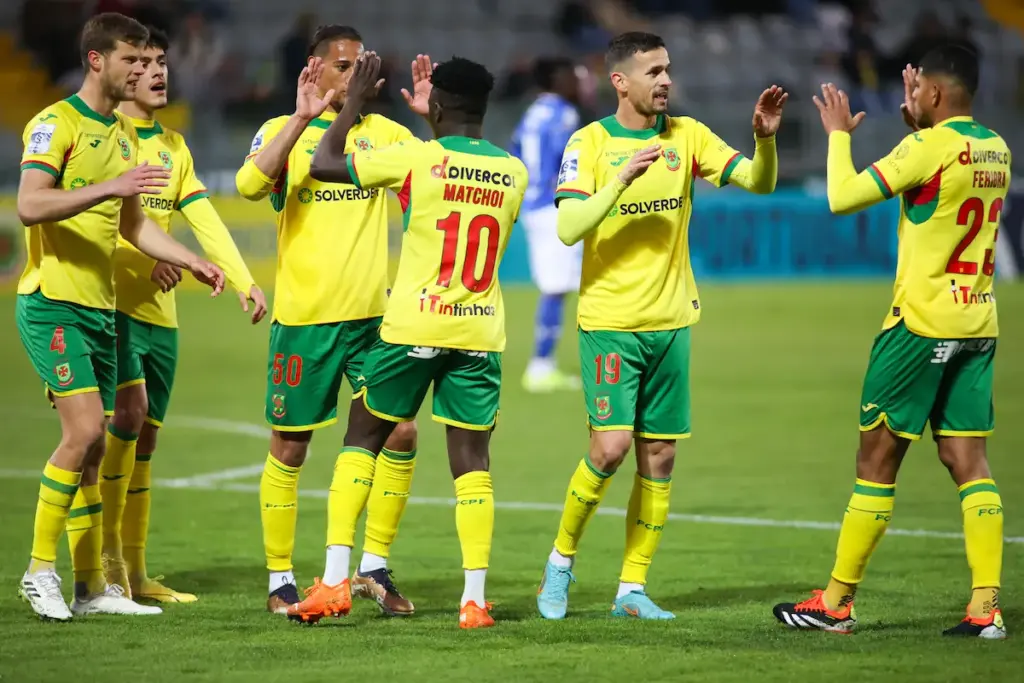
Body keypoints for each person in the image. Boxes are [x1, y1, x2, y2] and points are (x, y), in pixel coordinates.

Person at [535, 31, 786, 620]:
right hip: (610, 323)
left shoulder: (688, 135)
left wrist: (763, 143)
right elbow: (569, 227)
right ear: (620, 81)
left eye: (668, 69)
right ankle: (560, 563)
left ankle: (631, 589)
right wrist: (621, 180)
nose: (666, 80)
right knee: (611, 447)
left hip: (672, 322)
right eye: (653, 71)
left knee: (661, 458)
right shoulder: (590, 142)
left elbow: (759, 181)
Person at [774, 46, 1008, 640]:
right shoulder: (996, 148)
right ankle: (985, 609)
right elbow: (937, 194)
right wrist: (919, 132)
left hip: (918, 327)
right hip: (976, 326)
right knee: (969, 462)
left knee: (875, 464)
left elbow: (841, 196)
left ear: (932, 94)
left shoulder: (925, 147)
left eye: (919, 90)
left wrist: (836, 136)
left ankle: (835, 603)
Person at [294, 52, 527, 629]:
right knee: (472, 460)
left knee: (363, 436)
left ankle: (332, 584)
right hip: (478, 329)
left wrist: (351, 104)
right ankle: (473, 600)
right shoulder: (514, 171)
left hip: (414, 324)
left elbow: (324, 164)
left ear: (438, 104)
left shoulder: (414, 158)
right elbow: (459, 173)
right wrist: (435, 123)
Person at [16, 12, 224, 621]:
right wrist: (109, 188)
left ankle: (91, 589)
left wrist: (192, 258)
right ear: (97, 61)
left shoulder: (126, 138)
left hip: (100, 309)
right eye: (132, 59)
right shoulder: (55, 123)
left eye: (147, 59)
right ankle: (38, 571)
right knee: (81, 435)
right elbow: (31, 204)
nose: (144, 69)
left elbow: (134, 226)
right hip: (51, 300)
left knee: (96, 445)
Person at [235, 25, 419, 617]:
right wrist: (299, 118)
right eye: (343, 66)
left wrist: (430, 121)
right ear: (313, 69)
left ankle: (372, 568)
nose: (356, 75)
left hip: (372, 322)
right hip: (305, 320)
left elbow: (434, 190)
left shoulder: (387, 134)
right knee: (290, 448)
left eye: (362, 64)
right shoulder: (280, 132)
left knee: (401, 433)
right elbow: (246, 185)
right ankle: (280, 577)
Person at [97, 26, 268, 605]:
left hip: (162, 317)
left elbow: (206, 222)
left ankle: (137, 573)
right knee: (122, 422)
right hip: (110, 307)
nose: (158, 72)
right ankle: (107, 565)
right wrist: (141, 262)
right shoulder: (104, 138)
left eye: (163, 61)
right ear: (120, 71)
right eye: (143, 62)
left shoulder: (173, 145)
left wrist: (245, 281)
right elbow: (87, 224)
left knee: (145, 440)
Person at [510, 57, 584, 393]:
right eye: (571, 75)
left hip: (532, 205)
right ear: (557, 78)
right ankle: (541, 366)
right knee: (556, 288)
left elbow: (515, 152)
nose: (577, 82)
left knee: (556, 286)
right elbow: (568, 158)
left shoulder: (531, 113)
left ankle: (544, 364)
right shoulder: (564, 114)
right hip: (554, 206)